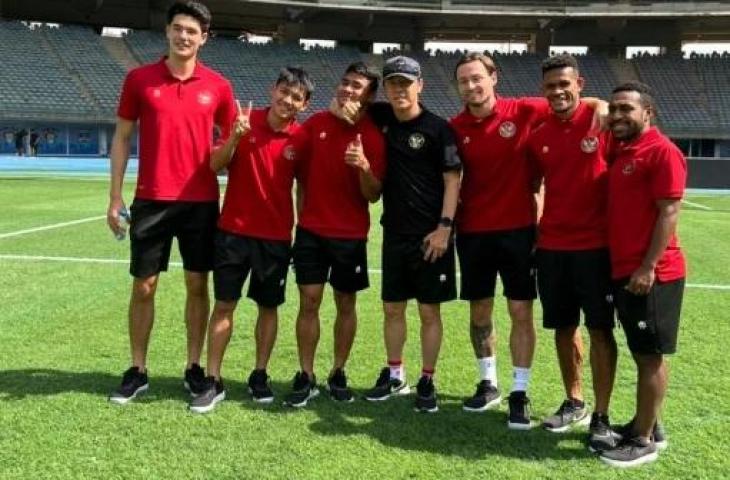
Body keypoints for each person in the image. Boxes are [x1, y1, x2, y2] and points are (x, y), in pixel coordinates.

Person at [107, 1, 236, 405]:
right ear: (168, 32)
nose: (184, 36)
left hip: (200, 202)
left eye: (192, 31)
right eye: (178, 28)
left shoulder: (218, 86)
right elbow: (123, 137)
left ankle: (193, 367)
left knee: (198, 285)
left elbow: (233, 140)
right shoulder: (139, 80)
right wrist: (115, 196)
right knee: (144, 286)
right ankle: (138, 369)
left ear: (204, 39)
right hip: (150, 199)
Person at [337, 56, 461, 413]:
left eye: (405, 83)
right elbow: (348, 101)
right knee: (392, 308)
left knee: (428, 312)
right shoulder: (382, 118)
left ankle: (427, 379)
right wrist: (344, 103)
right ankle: (395, 375)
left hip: (432, 237)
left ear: (420, 85)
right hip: (394, 233)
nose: (399, 90)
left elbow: (452, 181)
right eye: (393, 83)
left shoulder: (439, 129)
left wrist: (444, 228)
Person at [189, 67, 313, 414]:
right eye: (284, 91)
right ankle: (214, 379)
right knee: (224, 305)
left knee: (268, 307)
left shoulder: (301, 139)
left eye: (296, 97)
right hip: (232, 233)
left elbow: (303, 187)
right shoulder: (242, 120)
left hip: (275, 238)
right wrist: (234, 139)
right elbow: (214, 165)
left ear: (303, 105)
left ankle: (259, 374)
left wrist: (301, 229)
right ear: (273, 89)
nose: (287, 100)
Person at [525, 55, 618, 444]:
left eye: (565, 84)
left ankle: (602, 413)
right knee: (563, 328)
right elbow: (534, 187)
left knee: (600, 329)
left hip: (596, 247)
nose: (558, 92)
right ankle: (574, 400)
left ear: (579, 83)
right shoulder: (539, 134)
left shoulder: (604, 122)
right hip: (552, 247)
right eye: (551, 86)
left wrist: (603, 105)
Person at [282, 62, 385, 408]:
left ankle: (338, 371)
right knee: (308, 301)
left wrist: (364, 166)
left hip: (350, 235)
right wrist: (301, 219)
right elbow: (295, 173)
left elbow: (373, 194)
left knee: (346, 303)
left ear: (369, 97)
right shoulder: (315, 125)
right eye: (346, 83)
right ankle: (306, 374)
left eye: (357, 86)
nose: (348, 90)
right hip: (311, 232)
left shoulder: (372, 135)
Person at [599, 81, 686, 467]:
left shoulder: (662, 151)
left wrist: (648, 267)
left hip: (652, 273)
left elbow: (669, 211)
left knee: (649, 356)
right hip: (626, 269)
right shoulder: (624, 149)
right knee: (641, 351)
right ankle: (648, 423)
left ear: (647, 112)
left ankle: (644, 439)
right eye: (613, 109)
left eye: (626, 110)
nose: (617, 116)